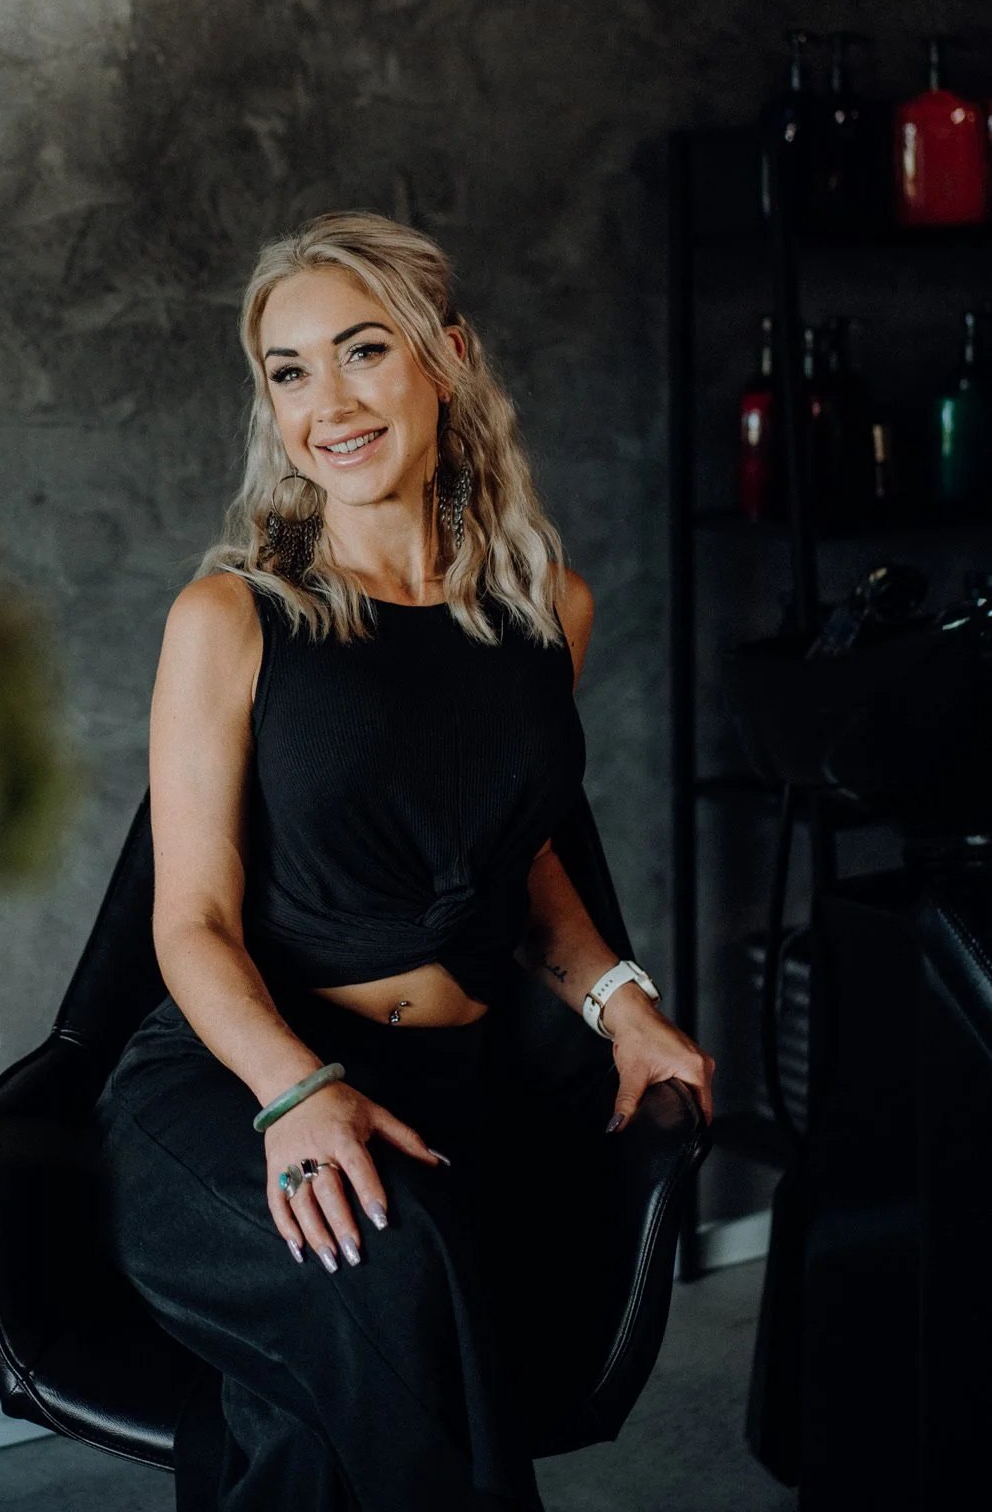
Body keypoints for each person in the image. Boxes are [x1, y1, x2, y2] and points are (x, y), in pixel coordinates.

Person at [92, 211, 714, 1511]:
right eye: (290, 369)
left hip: (449, 1081)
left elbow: (516, 867)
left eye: (365, 351)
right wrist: (292, 1095)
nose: (331, 403)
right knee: (386, 1270)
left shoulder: (550, 610)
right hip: (232, 1079)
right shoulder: (230, 617)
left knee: (320, 1398)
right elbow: (190, 922)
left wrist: (626, 1005)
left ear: (446, 355)